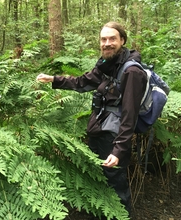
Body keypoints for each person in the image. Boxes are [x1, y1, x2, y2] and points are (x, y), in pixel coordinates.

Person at [36, 21, 148, 218]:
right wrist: (54, 79)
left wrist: (119, 150)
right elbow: (82, 82)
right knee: (101, 182)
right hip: (99, 130)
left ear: (122, 40)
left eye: (112, 39)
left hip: (114, 138)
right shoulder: (108, 64)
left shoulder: (131, 72)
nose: (107, 43)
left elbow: (130, 115)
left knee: (116, 186)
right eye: (103, 39)